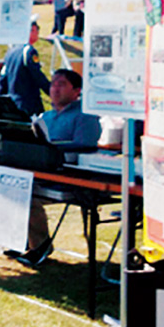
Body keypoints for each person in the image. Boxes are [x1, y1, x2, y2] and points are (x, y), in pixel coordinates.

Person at [14, 69, 101, 268]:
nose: (54, 88)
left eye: (61, 84)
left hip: (72, 179)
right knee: (11, 186)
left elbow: (86, 145)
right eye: (53, 83)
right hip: (44, 173)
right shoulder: (46, 116)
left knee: (25, 193)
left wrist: (53, 148)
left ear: (77, 90)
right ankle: (20, 242)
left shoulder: (85, 116)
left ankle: (40, 247)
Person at [0, 18, 50, 117]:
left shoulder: (10, 52)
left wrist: (0, 100)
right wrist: (51, 92)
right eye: (36, 30)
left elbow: (2, 78)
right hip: (29, 104)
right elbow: (37, 76)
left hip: (13, 103)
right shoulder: (29, 51)